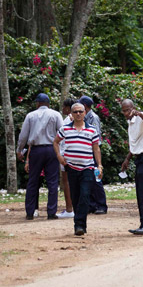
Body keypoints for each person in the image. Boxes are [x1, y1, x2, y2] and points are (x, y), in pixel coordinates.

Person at [54, 102, 103, 236]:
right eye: (75, 112)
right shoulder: (65, 129)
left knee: (85, 195)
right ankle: (78, 223)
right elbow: (56, 142)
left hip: (87, 167)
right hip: (71, 167)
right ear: (72, 113)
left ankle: (80, 225)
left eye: (80, 111)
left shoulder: (92, 130)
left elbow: (96, 148)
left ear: (85, 113)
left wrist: (99, 165)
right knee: (75, 196)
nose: (78, 114)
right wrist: (59, 156)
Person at [16, 93, 64, 220]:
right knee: (52, 181)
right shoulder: (56, 114)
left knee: (32, 181)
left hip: (36, 150)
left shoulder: (30, 115)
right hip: (51, 149)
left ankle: (30, 212)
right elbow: (63, 132)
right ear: (48, 104)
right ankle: (51, 212)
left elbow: (23, 135)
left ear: (37, 103)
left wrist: (19, 150)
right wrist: (62, 151)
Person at [120, 99, 143, 236]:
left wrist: (139, 113)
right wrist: (127, 159)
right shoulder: (130, 123)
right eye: (123, 110)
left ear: (133, 108)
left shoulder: (140, 119)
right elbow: (135, 143)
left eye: (128, 110)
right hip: (139, 158)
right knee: (140, 192)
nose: (126, 113)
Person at [79, 95, 108, 215]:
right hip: (86, 151)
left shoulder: (93, 118)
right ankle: (92, 205)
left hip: (92, 152)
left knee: (97, 178)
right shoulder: (83, 118)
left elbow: (96, 138)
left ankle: (101, 205)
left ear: (85, 106)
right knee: (88, 178)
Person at [56, 98, 76, 219]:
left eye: (64, 106)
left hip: (66, 153)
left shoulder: (68, 119)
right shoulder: (76, 119)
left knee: (66, 181)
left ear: (68, 108)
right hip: (74, 153)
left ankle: (69, 208)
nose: (62, 109)